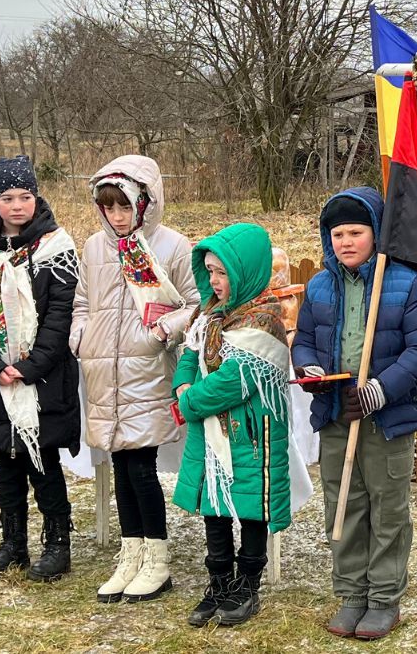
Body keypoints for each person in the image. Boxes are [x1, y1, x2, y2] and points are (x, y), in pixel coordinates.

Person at [290, 187, 417, 641]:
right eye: (337, 234)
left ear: (376, 233)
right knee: (345, 505)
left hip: (384, 419)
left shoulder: (404, 284)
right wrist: (309, 367)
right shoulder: (320, 284)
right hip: (338, 416)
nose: (346, 242)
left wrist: (380, 391)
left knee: (387, 507)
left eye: (356, 232)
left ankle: (383, 596)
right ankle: (352, 591)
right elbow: (304, 338)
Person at [72, 155, 200, 603]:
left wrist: (163, 331)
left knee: (142, 466)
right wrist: (80, 337)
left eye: (124, 207)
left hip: (147, 368)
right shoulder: (93, 248)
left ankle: (157, 559)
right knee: (119, 464)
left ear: (145, 202)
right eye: (108, 208)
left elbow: (194, 301)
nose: (117, 216)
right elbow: (82, 301)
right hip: (104, 370)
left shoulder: (171, 246)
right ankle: (131, 553)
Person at [0, 156, 81, 582]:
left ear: (36, 197)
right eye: (8, 198)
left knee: (42, 460)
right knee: (4, 460)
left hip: (42, 375)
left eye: (25, 196)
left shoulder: (55, 246)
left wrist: (30, 365)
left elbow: (62, 314)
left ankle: (57, 542)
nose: (18, 206)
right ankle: (13, 541)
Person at [172, 223, 292, 628]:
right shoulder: (207, 315)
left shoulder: (263, 320)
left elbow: (234, 382)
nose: (214, 281)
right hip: (212, 434)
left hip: (252, 435)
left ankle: (248, 583)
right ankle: (219, 580)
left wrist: (188, 400)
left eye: (222, 272)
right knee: (215, 505)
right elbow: (189, 356)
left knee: (251, 507)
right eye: (208, 271)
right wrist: (183, 382)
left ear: (245, 271)